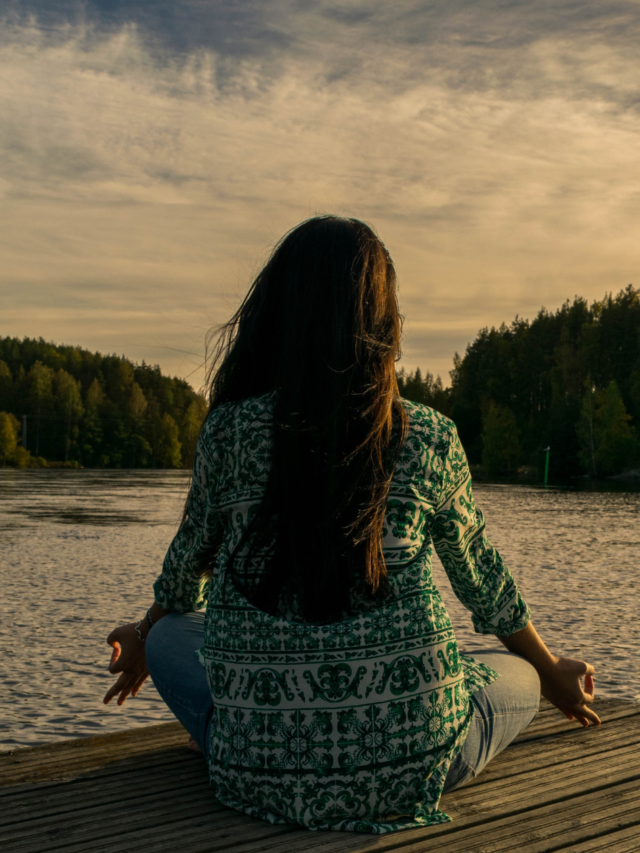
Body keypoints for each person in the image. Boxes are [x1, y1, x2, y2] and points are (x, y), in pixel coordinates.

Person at [104, 215, 600, 834]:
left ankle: (240, 738)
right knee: (518, 672)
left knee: (175, 634)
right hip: (415, 765)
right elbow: (483, 584)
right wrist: (551, 670)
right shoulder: (429, 435)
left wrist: (149, 631)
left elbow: (183, 577)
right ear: (384, 323)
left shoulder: (229, 432)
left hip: (256, 773)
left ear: (278, 313)